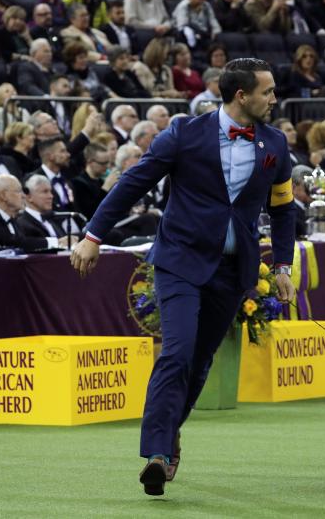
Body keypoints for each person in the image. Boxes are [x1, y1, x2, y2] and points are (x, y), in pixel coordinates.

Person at [69, 58, 296, 496]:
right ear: (241, 95)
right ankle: (156, 454)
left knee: (200, 360)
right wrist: (93, 236)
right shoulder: (183, 133)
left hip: (233, 270)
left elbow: (283, 209)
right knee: (176, 352)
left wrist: (283, 266)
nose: (274, 98)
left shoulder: (275, 143)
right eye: (267, 91)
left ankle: (170, 431)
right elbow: (133, 183)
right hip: (179, 263)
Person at [0, 174, 70, 251]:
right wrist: (55, 242)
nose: (23, 196)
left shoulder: (13, 219)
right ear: (4, 196)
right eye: (18, 191)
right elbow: (14, 243)